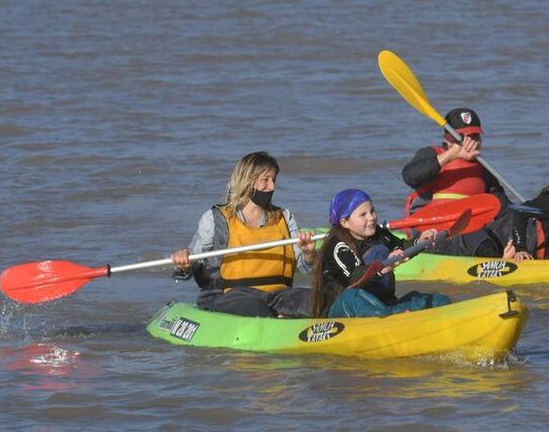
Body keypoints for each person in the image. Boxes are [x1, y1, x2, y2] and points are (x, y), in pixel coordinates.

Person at [171, 151, 317, 318]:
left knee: (314, 299)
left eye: (274, 180)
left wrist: (308, 254)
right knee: (255, 306)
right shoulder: (215, 219)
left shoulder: (285, 217)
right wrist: (184, 264)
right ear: (248, 181)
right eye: (266, 180)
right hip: (229, 295)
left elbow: (304, 268)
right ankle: (274, 320)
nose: (272, 187)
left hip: (277, 295)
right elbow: (192, 263)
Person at [311, 188, 451, 318]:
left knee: (439, 301)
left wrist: (420, 242)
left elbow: (401, 247)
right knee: (352, 296)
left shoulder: (379, 234)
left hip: (381, 305)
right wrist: (385, 268)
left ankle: (390, 315)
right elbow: (354, 278)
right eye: (363, 214)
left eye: (372, 211)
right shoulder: (337, 246)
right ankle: (389, 319)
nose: (371, 217)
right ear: (345, 222)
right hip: (343, 309)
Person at [401, 107, 516, 257]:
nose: (470, 142)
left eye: (475, 136)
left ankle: (513, 256)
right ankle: (493, 261)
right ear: (447, 137)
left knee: (521, 225)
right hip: (435, 234)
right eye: (462, 137)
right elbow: (409, 176)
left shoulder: (483, 169)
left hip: (473, 230)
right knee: (477, 237)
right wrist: (452, 154)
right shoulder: (431, 155)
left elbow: (504, 209)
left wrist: (516, 236)